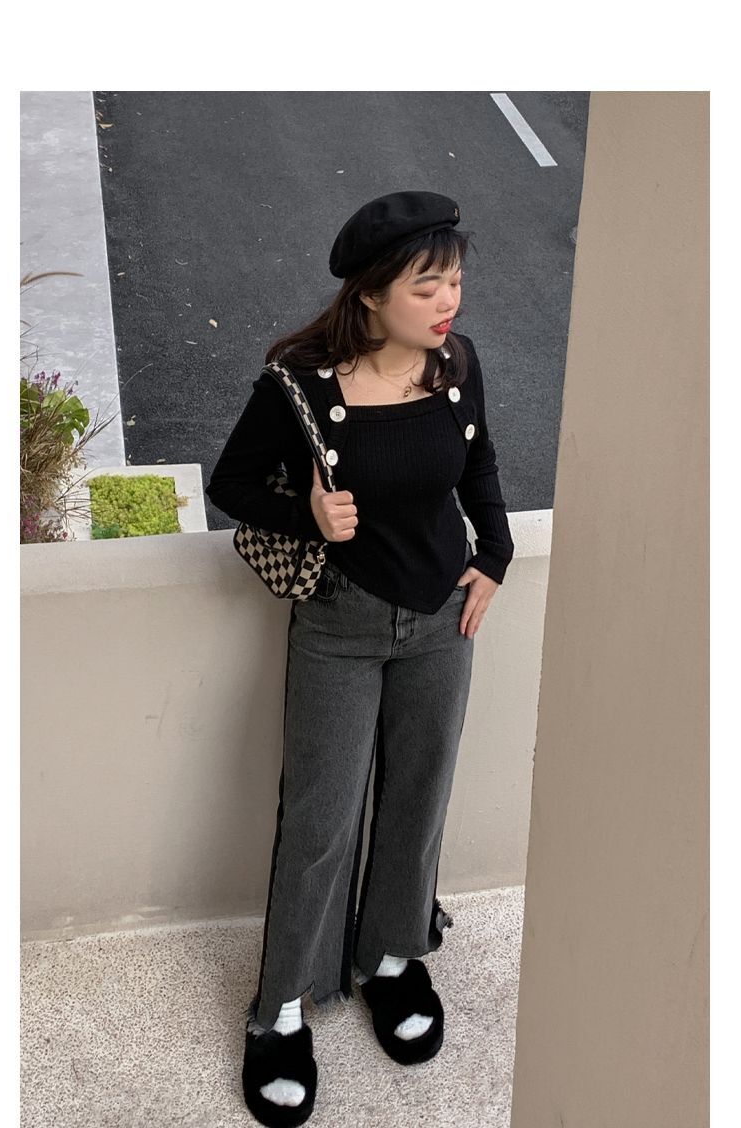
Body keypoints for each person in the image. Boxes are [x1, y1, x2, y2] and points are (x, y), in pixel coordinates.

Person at [205, 190, 515, 1127]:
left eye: (454, 281)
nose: (448, 301)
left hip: (440, 622)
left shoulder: (456, 367)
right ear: (372, 295)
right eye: (427, 286)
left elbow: (479, 467)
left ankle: (390, 956)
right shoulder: (300, 385)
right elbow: (230, 485)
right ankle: (281, 1007)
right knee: (321, 820)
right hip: (339, 626)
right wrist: (305, 512)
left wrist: (495, 556)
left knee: (418, 798)